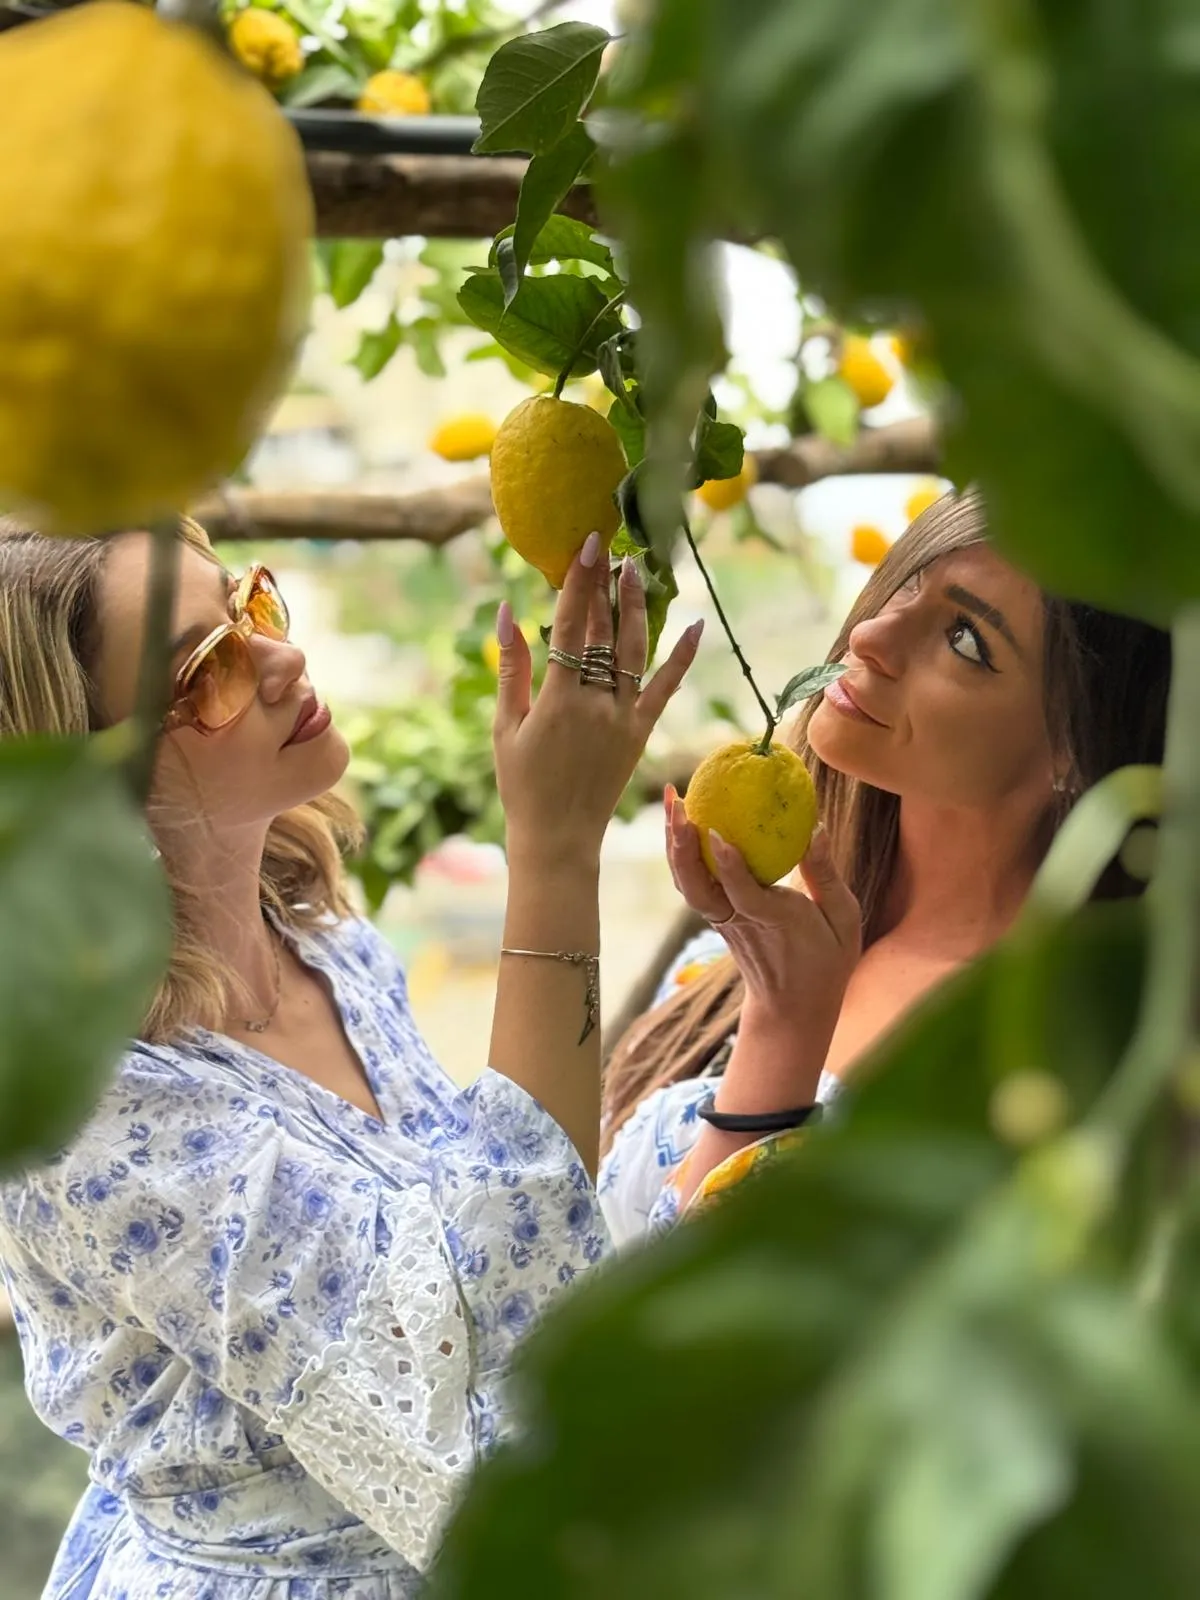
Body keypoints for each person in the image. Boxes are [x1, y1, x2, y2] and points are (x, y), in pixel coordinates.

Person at [0, 515, 701, 1598]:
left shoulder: (320, 936)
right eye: (209, 670)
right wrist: (556, 853)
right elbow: (467, 1425)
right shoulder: (89, 1108)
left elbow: (475, 1248)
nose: (282, 658)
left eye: (252, 604)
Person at [598, 488, 1171, 1243]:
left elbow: (709, 1312)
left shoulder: (1032, 1063)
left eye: (966, 639)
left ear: (1074, 743)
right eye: (906, 584)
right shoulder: (755, 935)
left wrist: (783, 1029)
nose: (870, 635)